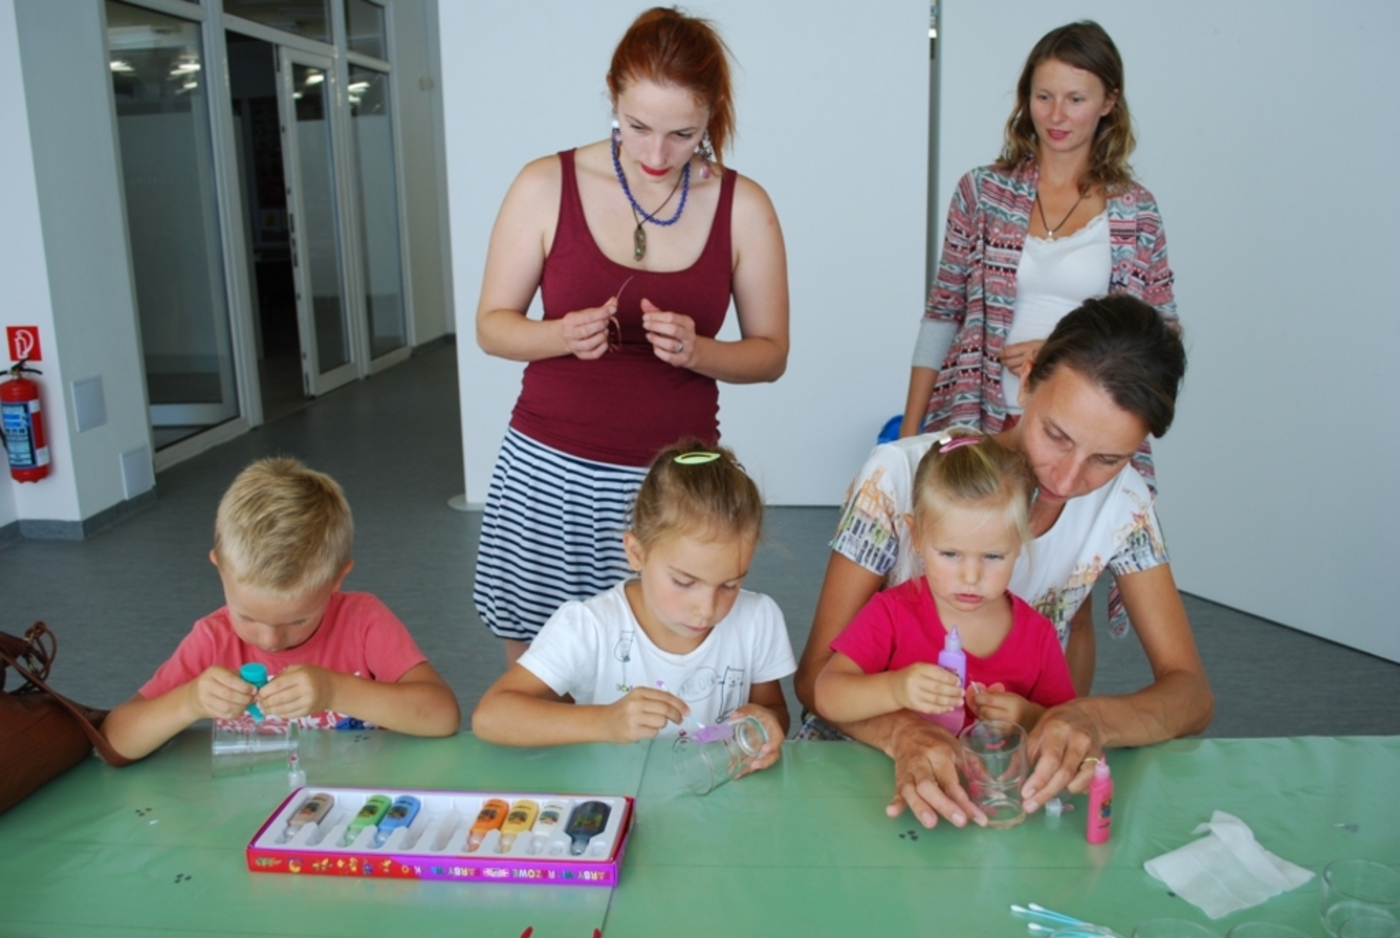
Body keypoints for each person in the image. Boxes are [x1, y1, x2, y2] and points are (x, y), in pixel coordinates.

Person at [795, 296, 1212, 829]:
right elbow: (815, 679)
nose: (1066, 480)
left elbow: (1191, 694)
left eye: (1107, 459)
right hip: (865, 760)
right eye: (1056, 436)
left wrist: (1087, 718)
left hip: (994, 774)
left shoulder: (1125, 503)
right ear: (1028, 379)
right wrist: (902, 730)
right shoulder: (897, 477)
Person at [473, 7, 789, 666]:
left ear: (711, 115)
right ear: (611, 97)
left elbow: (770, 355)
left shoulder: (744, 206)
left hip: (676, 490)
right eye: (637, 126)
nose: (655, 155)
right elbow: (492, 327)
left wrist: (699, 351)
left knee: (667, 666)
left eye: (682, 135)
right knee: (542, 673)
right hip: (549, 473)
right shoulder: (544, 184)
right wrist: (561, 335)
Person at [901, 21, 1174, 463]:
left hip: (1083, 435)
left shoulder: (1136, 212)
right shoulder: (981, 193)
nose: (1056, 116)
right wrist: (909, 436)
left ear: (1109, 102)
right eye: (1044, 96)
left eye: (1076, 99)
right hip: (980, 421)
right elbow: (942, 315)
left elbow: (1159, 336)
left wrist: (1062, 354)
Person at [101, 458, 461, 761]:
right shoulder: (212, 640)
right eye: (247, 617)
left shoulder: (363, 621)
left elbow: (442, 716)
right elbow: (115, 741)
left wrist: (334, 691)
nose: (270, 640)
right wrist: (190, 702)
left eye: (297, 620)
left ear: (337, 579)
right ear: (219, 568)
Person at [472, 440, 793, 776]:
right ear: (636, 553)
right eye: (684, 582)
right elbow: (491, 715)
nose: (706, 609)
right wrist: (606, 722)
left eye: (729, 585)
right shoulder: (588, 626)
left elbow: (773, 709)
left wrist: (766, 724)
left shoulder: (758, 619)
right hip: (612, 796)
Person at [814, 431, 1075, 733]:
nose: (970, 577)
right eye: (951, 554)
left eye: (993, 556)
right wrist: (895, 689)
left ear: (1020, 541)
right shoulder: (892, 613)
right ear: (917, 536)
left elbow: (1067, 723)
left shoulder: (1038, 636)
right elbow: (827, 695)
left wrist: (1029, 717)